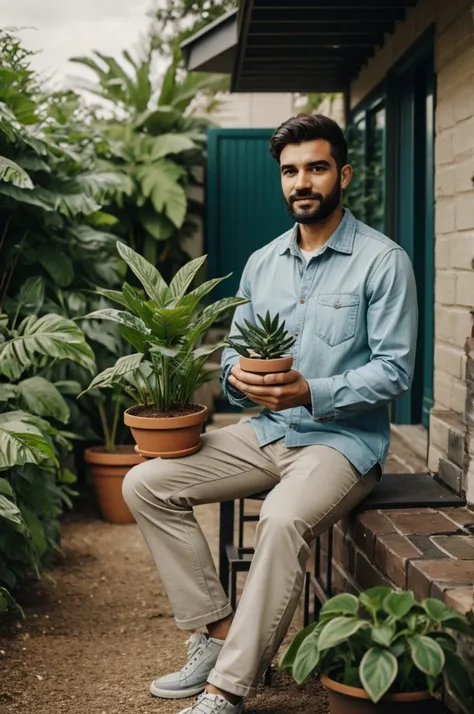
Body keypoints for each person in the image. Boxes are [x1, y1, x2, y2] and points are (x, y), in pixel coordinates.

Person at [122, 114, 418, 714]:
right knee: (146, 484)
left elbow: (396, 372)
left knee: (281, 519)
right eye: (290, 171)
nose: (301, 182)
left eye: (316, 167)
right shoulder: (263, 263)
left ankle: (225, 690)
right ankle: (218, 633)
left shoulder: (383, 261)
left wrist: (311, 392)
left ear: (344, 174)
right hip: (263, 432)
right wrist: (234, 375)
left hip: (342, 444)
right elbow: (234, 352)